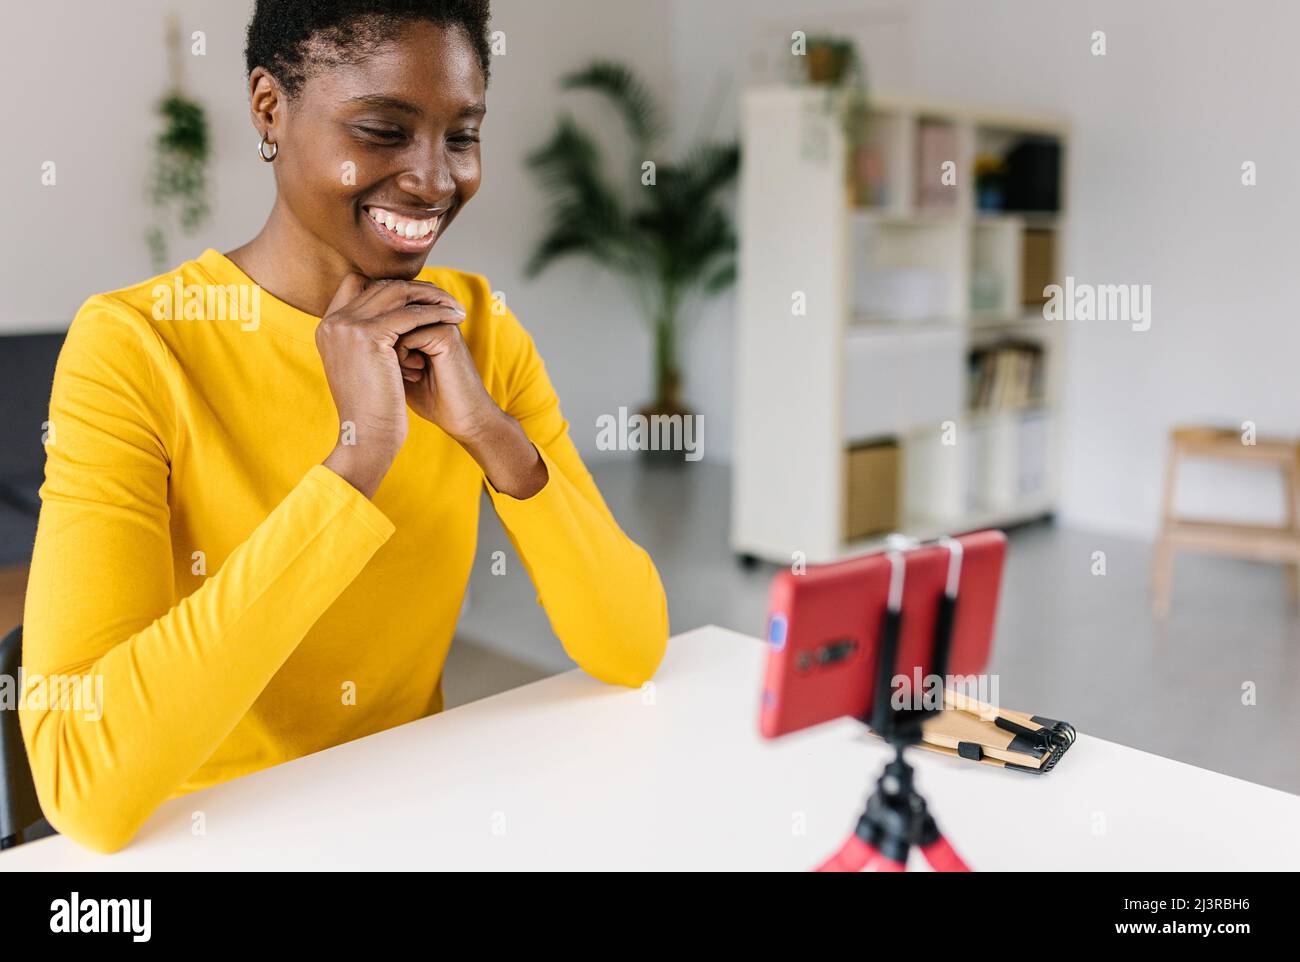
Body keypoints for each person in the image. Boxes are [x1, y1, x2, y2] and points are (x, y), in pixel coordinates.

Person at [19, 0, 668, 854]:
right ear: (268, 108)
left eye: (461, 136)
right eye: (383, 130)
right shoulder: (136, 348)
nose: (434, 180)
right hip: (212, 836)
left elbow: (630, 648)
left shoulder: (477, 331)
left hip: (413, 821)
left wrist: (492, 434)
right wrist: (356, 461)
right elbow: (82, 785)